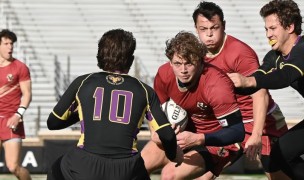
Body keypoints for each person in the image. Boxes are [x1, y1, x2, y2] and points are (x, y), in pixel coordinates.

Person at [46, 29, 183, 180]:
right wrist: (173, 155)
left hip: (85, 164)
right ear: (130, 59)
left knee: (56, 169)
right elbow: (167, 135)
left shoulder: (83, 82)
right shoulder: (145, 90)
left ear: (100, 55)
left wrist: (82, 112)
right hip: (127, 169)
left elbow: (53, 122)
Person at [192, 2, 290, 180]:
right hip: (229, 124)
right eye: (203, 29)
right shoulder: (196, 56)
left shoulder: (239, 52)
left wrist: (257, 134)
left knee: (278, 175)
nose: (209, 34)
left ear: (224, 25)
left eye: (214, 27)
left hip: (262, 122)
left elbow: (260, 94)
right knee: (190, 175)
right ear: (196, 29)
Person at [141, 31, 245, 179]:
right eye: (177, 63)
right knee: (138, 165)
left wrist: (198, 139)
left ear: (201, 61)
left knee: (169, 175)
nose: (183, 70)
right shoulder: (164, 74)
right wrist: (155, 132)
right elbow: (154, 111)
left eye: (189, 63)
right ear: (170, 62)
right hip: (181, 135)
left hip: (213, 141)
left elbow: (237, 131)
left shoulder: (216, 84)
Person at [228, 0, 304, 179]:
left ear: (290, 26)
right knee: (279, 155)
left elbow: (286, 76)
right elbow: (258, 80)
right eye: (266, 29)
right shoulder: (273, 56)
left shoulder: (302, 49)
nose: (268, 34)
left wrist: (248, 81)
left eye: (273, 28)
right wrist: (225, 87)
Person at [0, 29, 32, 180]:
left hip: (11, 121)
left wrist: (18, 114)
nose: (10, 47)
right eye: (6, 43)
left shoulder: (20, 67)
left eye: (11, 44)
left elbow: (27, 94)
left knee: (13, 167)